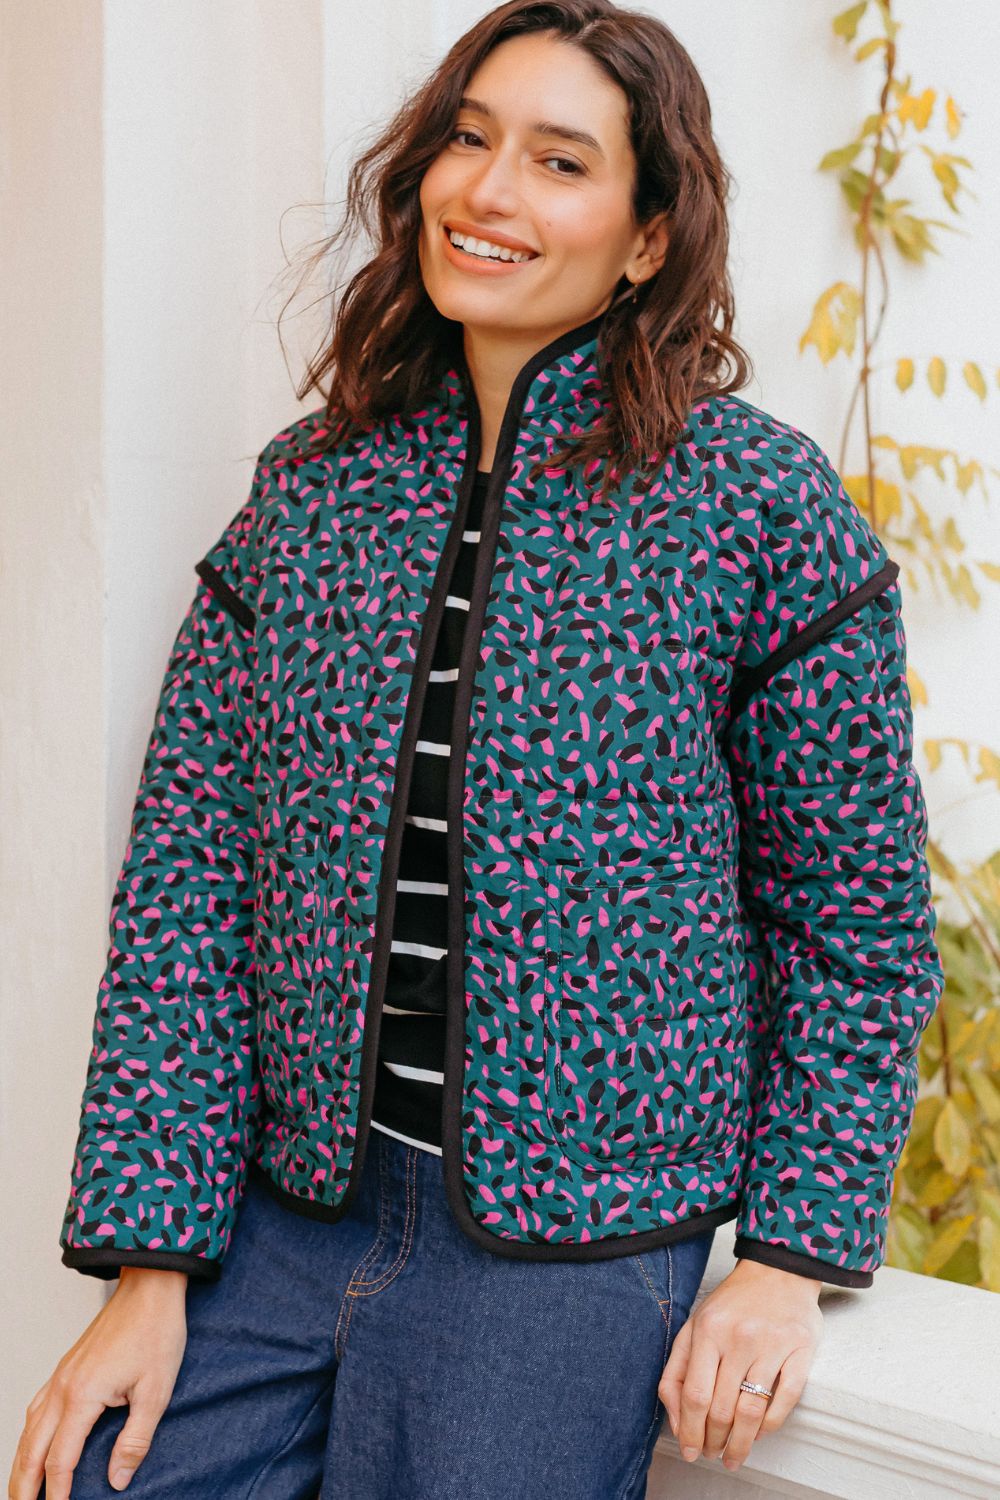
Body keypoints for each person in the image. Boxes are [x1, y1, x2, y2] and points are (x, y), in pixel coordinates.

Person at [10, 2, 945, 1497]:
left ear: (647, 239)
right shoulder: (312, 492)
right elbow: (191, 876)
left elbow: (859, 927)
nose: (488, 191)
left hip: (565, 1260)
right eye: (468, 137)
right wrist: (148, 1260)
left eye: (560, 161)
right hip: (280, 1219)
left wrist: (784, 1256)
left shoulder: (757, 511)